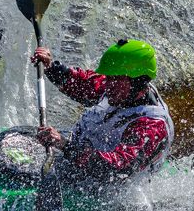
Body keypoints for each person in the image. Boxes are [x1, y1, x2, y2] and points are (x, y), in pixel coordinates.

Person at [29, 39, 174, 185]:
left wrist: (65, 146)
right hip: (77, 155)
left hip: (108, 192)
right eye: (109, 77)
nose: (108, 84)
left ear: (138, 82)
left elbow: (116, 169)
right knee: (15, 137)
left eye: (115, 79)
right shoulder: (120, 89)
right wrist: (50, 66)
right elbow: (82, 84)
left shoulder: (152, 126)